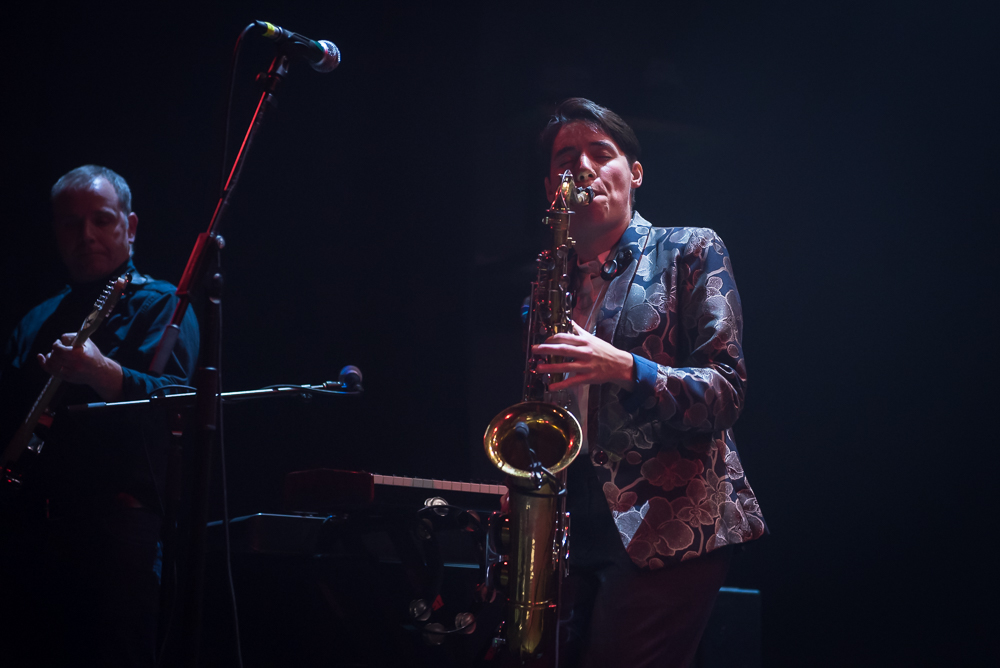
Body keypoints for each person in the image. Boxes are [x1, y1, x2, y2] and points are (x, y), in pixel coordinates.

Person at [526, 98, 766, 667]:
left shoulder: (689, 249)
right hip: (565, 522)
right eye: (566, 158)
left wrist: (625, 367)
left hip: (666, 526)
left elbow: (726, 392)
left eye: (599, 153)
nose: (580, 167)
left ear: (634, 173)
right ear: (550, 188)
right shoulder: (544, 283)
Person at [0, 165, 199, 667]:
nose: (85, 235)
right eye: (70, 223)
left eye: (102, 220)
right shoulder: (36, 319)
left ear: (129, 228)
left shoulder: (163, 305)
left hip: (114, 535)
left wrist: (99, 370)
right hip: (30, 532)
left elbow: (177, 402)